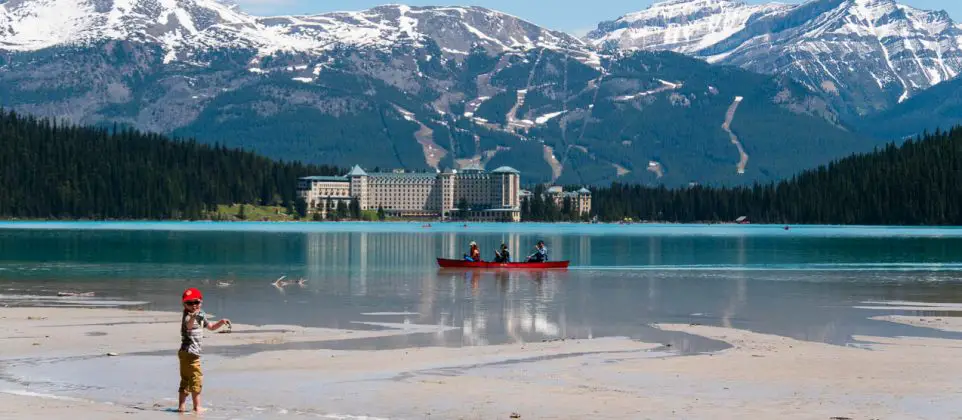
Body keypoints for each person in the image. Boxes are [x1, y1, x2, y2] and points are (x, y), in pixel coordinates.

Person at [178, 287, 231, 413]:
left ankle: (181, 407)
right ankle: (197, 407)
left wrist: (221, 322)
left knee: (185, 379)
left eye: (196, 302)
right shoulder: (187, 315)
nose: (193, 306)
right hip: (191, 353)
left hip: (185, 353)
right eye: (189, 303)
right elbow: (188, 326)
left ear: (201, 302)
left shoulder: (201, 314)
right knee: (196, 378)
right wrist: (193, 316)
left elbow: (211, 327)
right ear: (184, 304)